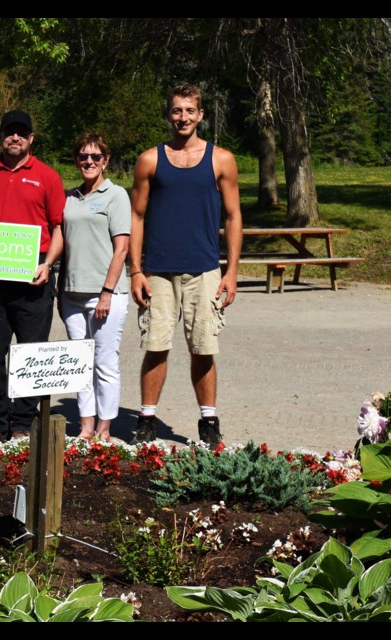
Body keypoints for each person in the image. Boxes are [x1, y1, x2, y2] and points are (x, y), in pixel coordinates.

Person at [128, 83, 243, 446]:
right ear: (168, 114)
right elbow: (136, 216)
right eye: (177, 111)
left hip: (205, 269)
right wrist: (136, 270)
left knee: (204, 347)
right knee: (156, 345)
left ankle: (208, 420)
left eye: (190, 111)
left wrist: (232, 271)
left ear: (201, 115)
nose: (183, 117)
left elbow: (234, 215)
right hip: (159, 271)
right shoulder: (150, 159)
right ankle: (146, 419)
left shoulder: (220, 159)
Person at [0, 110, 65, 441]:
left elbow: (57, 227)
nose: (15, 138)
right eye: (10, 132)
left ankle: (24, 421)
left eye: (22, 133)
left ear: (31, 139)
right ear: (1, 136)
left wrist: (48, 263)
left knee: (31, 352)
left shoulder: (48, 177)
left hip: (34, 271)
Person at [58, 133, 130, 442]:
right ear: (76, 160)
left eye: (95, 157)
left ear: (105, 161)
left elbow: (122, 249)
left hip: (105, 295)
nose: (89, 162)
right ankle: (85, 426)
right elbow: (60, 237)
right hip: (72, 294)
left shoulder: (116, 195)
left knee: (104, 362)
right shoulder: (69, 196)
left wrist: (106, 292)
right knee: (79, 364)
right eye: (83, 157)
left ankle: (104, 427)